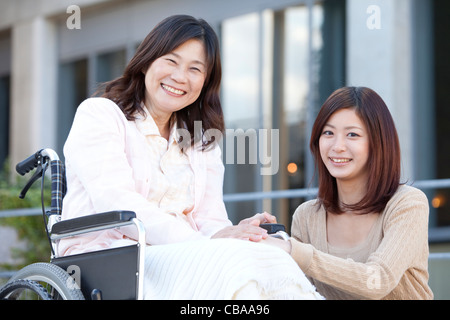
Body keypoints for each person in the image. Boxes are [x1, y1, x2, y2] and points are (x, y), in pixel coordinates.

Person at [58, 14, 322, 299]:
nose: (180, 77)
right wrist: (204, 243)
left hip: (186, 256)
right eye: (171, 61)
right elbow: (117, 201)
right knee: (235, 266)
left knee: (273, 258)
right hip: (114, 256)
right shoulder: (100, 114)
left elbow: (211, 220)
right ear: (147, 61)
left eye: (195, 69)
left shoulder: (200, 140)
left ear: (206, 82)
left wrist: (236, 234)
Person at [265, 86, 433, 299]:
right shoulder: (307, 216)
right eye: (328, 133)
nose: (338, 146)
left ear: (378, 143)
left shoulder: (407, 204)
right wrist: (260, 241)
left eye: (352, 134)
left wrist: (292, 250)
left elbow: (377, 280)